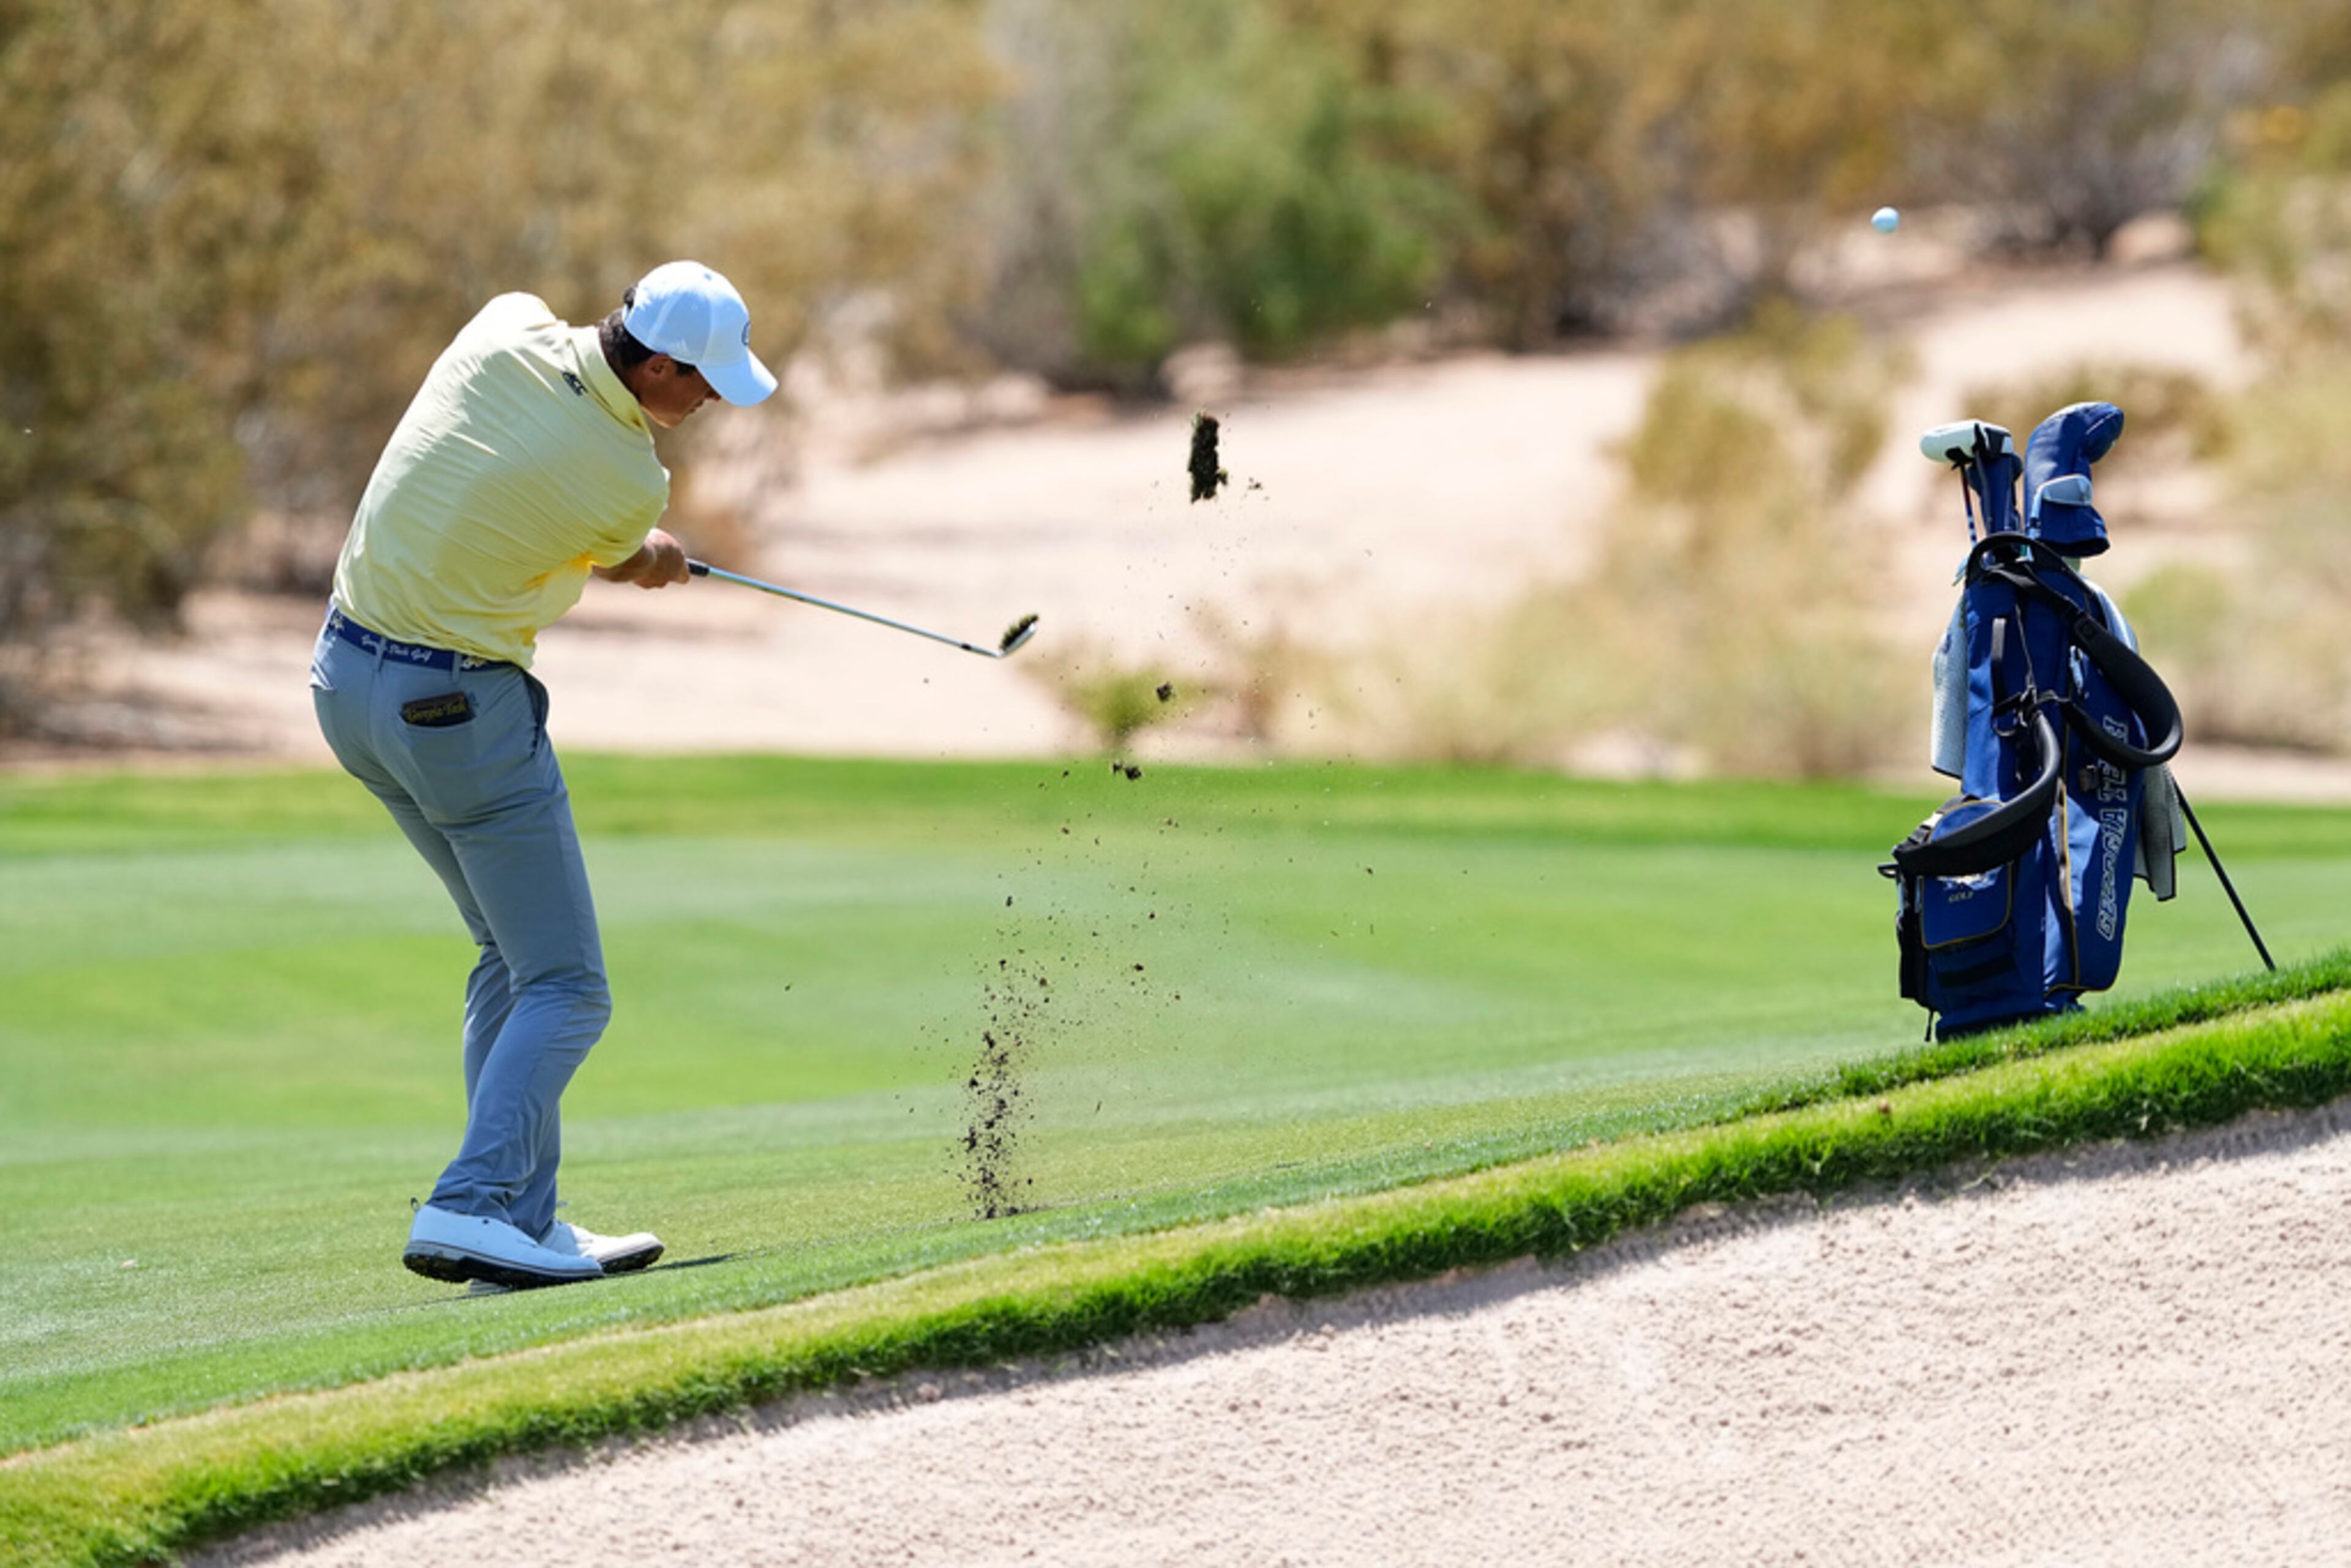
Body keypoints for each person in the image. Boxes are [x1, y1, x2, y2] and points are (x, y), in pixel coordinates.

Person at [310, 262, 778, 1290]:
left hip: (345, 684)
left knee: (509, 958)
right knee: (569, 987)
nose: (704, 403)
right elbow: (619, 550)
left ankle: (521, 1223)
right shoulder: (630, 479)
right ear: (657, 364)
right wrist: (653, 559)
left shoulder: (504, 320)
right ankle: (467, 1203)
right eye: (699, 383)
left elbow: (526, 484)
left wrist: (630, 552)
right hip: (455, 713)